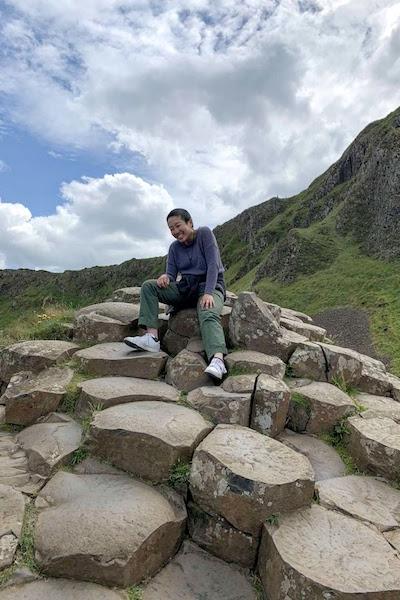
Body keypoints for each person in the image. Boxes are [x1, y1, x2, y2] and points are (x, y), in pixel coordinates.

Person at [124, 208, 228, 379]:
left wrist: (209, 292)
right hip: (186, 287)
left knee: (208, 312)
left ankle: (217, 360)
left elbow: (213, 266)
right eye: (171, 229)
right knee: (149, 286)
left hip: (209, 285)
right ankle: (151, 338)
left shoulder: (204, 234)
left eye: (178, 226)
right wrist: (166, 277)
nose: (175, 231)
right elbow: (171, 274)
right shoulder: (174, 248)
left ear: (190, 222)